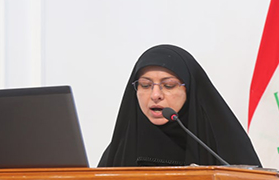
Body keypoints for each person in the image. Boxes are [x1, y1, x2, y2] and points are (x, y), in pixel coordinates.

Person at [98, 44, 261, 167]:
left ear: (189, 89)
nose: (155, 95)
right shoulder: (122, 147)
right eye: (146, 85)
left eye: (168, 85)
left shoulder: (220, 144)